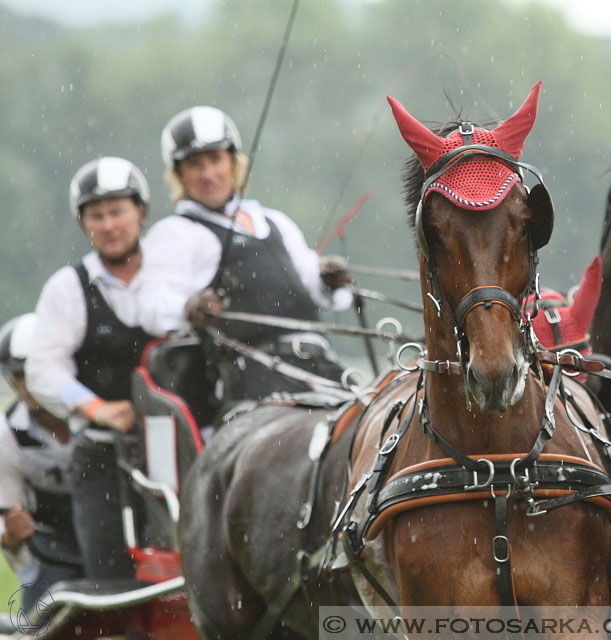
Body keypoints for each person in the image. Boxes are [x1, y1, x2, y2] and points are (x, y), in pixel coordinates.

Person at [140, 105, 353, 410]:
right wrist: (188, 307)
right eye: (194, 164)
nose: (207, 174)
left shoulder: (276, 221)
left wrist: (329, 280)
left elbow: (316, 290)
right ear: (178, 174)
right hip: (249, 381)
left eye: (215, 160)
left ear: (234, 163)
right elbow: (150, 305)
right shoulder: (175, 233)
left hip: (320, 365)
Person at [25, 156, 155, 582]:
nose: (109, 225)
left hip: (181, 450)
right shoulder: (67, 287)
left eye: (118, 211)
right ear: (84, 224)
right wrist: (97, 407)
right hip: (102, 459)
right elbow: (43, 371)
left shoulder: (173, 274)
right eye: (96, 216)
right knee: (112, 584)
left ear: (141, 212)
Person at [0, 313, 83, 609]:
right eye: (22, 374)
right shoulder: (6, 433)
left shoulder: (99, 417)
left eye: (40, 371)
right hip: (52, 547)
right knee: (38, 620)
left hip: (118, 537)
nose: (32, 383)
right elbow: (6, 518)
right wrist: (11, 535)